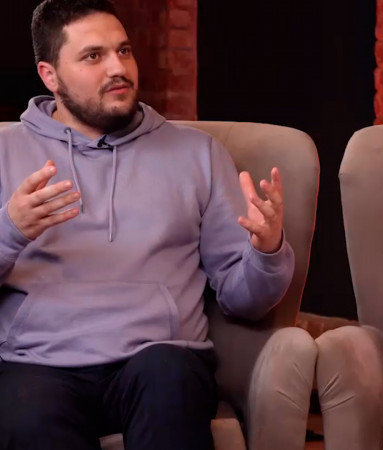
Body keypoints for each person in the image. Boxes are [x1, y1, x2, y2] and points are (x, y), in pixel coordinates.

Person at [0, 0, 294, 449]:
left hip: (159, 358)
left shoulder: (197, 154)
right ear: (49, 75)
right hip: (38, 363)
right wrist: (11, 230)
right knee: (27, 415)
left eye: (124, 50)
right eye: (93, 56)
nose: (118, 68)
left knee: (167, 379)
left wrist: (267, 251)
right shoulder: (5, 154)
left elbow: (244, 302)